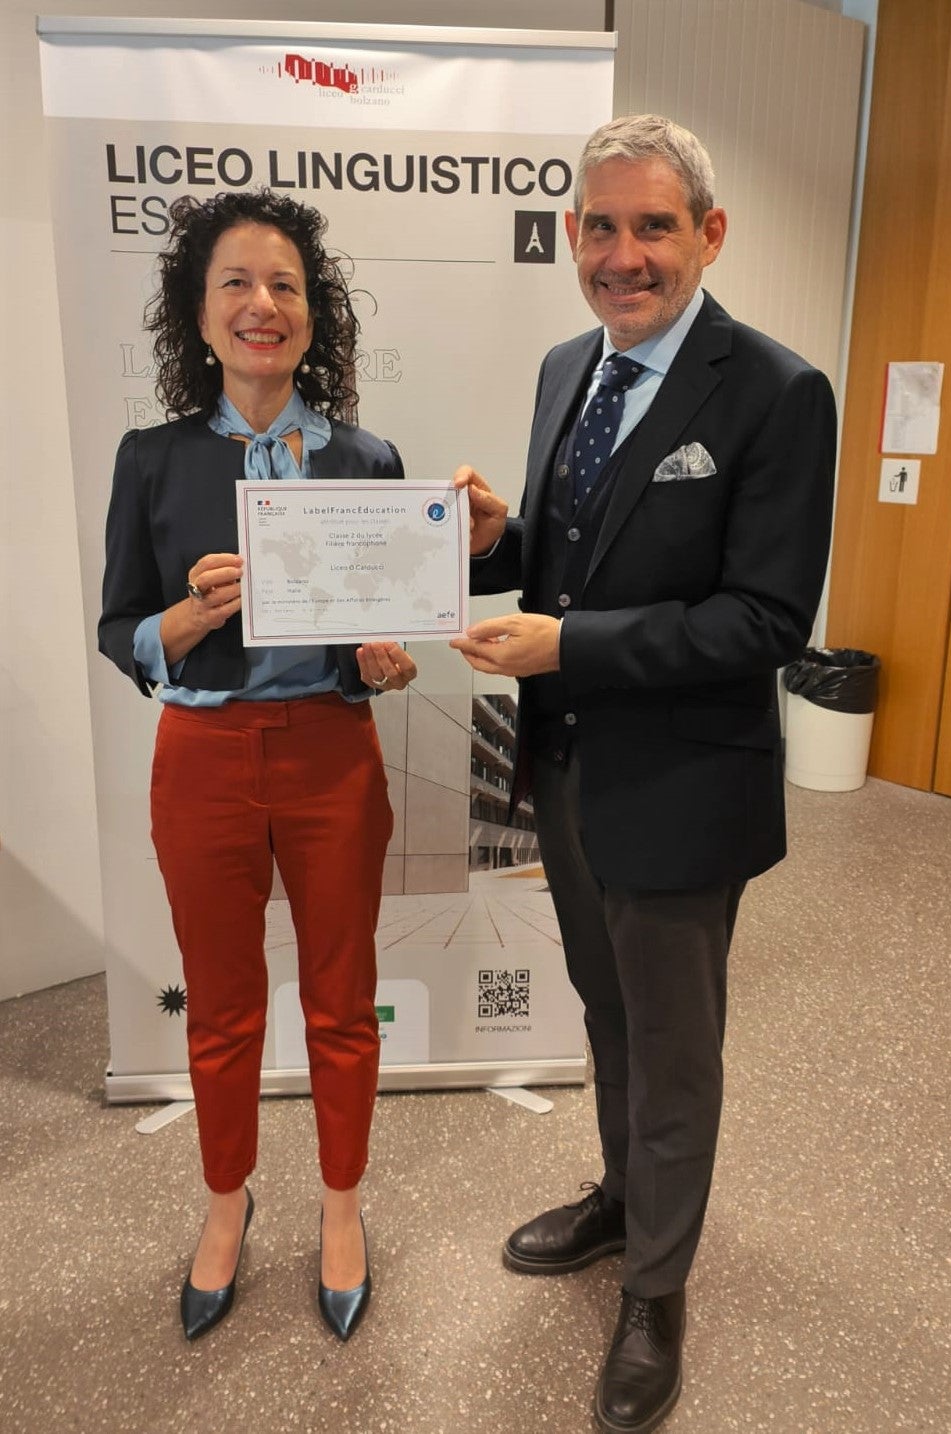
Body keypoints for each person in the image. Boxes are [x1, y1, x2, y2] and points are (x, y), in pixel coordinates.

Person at [452, 114, 836, 1433]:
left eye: (653, 226)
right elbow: (566, 559)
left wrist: (569, 641)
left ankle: (658, 1288)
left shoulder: (777, 392)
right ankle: (624, 1199)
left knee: (674, 1047)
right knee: (606, 1014)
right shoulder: (572, 366)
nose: (625, 256)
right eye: (601, 228)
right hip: (560, 767)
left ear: (707, 235)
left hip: (682, 785)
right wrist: (498, 538)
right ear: (575, 240)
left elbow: (765, 622)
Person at [99, 188, 416, 1344]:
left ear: (313, 314)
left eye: (283, 284)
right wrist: (184, 619)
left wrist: (384, 664)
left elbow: (384, 626)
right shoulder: (153, 459)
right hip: (203, 756)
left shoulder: (368, 458)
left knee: (341, 1001)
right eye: (235, 282)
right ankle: (226, 1200)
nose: (261, 305)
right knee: (223, 1007)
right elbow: (117, 627)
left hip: (333, 753)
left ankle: (341, 1203)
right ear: (198, 314)